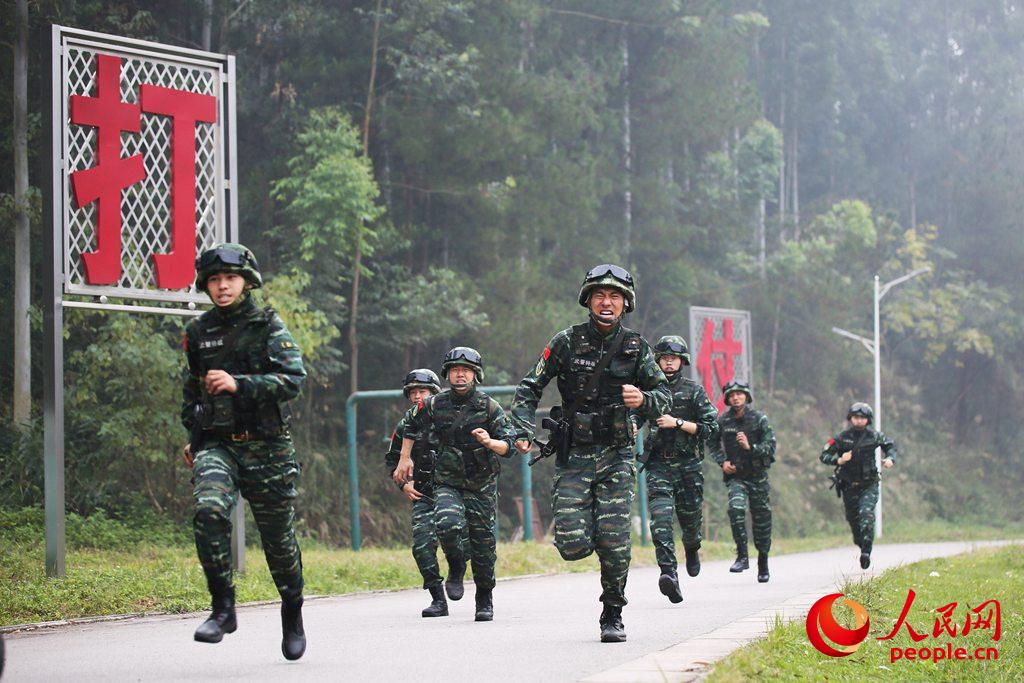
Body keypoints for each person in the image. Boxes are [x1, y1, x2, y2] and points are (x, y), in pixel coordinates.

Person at [511, 264, 670, 642]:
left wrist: (644, 399)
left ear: (625, 304)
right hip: (575, 455)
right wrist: (520, 430)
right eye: (600, 295)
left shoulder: (637, 347)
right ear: (588, 300)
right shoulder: (565, 342)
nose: (606, 302)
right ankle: (599, 540)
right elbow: (530, 386)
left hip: (617, 454)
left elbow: (664, 396)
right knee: (571, 543)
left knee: (615, 539)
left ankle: (612, 613)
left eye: (615, 296)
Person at [181, 243, 308, 660]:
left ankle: (292, 610)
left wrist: (241, 384)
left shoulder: (267, 325)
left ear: (246, 281)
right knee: (208, 511)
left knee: (278, 543)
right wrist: (194, 435)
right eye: (214, 280)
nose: (222, 286)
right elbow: (192, 390)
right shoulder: (199, 332)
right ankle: (223, 607)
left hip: (268, 448)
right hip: (218, 444)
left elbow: (293, 379)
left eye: (230, 279)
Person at [395, 348, 516, 621]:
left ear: (476, 374)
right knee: (447, 524)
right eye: (454, 370)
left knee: (484, 547)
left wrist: (488, 442)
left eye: (466, 370)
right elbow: (410, 424)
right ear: (447, 374)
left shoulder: (488, 406)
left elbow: (509, 446)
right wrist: (404, 459)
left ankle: (484, 598)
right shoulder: (436, 404)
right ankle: (457, 567)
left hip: (481, 485)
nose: (460, 374)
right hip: (447, 481)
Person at [637, 336, 719, 603]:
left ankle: (692, 547)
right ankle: (669, 574)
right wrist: (630, 425)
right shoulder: (648, 391)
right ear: (658, 361)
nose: (669, 362)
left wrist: (679, 422)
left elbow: (710, 427)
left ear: (682, 361)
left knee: (690, 521)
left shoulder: (693, 391)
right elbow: (634, 417)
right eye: (664, 358)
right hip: (659, 464)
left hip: (688, 466)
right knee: (660, 522)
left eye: (674, 358)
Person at [385, 368, 469, 617]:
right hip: (423, 494)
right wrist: (403, 484)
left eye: (421, 391)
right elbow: (392, 461)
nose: (416, 396)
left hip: (456, 491)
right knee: (422, 546)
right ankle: (437, 599)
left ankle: (458, 568)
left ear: (434, 393)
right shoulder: (405, 426)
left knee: (459, 538)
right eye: (412, 392)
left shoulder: (450, 418)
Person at [708, 381, 776, 583]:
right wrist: (722, 462)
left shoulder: (759, 419)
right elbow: (711, 443)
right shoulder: (723, 420)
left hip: (757, 476)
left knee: (762, 521)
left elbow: (770, 447)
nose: (736, 398)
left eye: (739, 394)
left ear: (747, 397)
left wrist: (750, 447)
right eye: (731, 395)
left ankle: (763, 562)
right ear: (727, 399)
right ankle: (742, 556)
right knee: (735, 509)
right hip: (736, 476)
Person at [820, 402, 898, 569]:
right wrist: (839, 460)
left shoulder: (874, 436)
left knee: (866, 515)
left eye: (862, 418)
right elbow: (824, 455)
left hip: (869, 484)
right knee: (854, 523)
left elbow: (889, 445)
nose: (859, 421)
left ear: (868, 420)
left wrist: (890, 459)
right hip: (849, 486)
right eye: (856, 417)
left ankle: (866, 553)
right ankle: (861, 543)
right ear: (851, 418)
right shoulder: (841, 438)